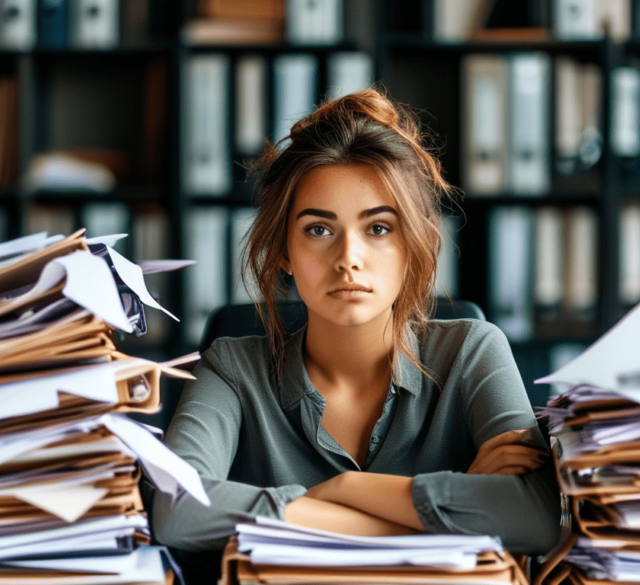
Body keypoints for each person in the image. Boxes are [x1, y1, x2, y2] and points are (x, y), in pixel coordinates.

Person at [153, 88, 562, 568]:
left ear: (411, 243)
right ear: (284, 250)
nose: (348, 258)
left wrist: (346, 489)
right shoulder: (232, 367)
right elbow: (176, 509)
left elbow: (536, 518)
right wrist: (437, 512)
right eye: (318, 230)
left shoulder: (472, 351)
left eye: (379, 228)